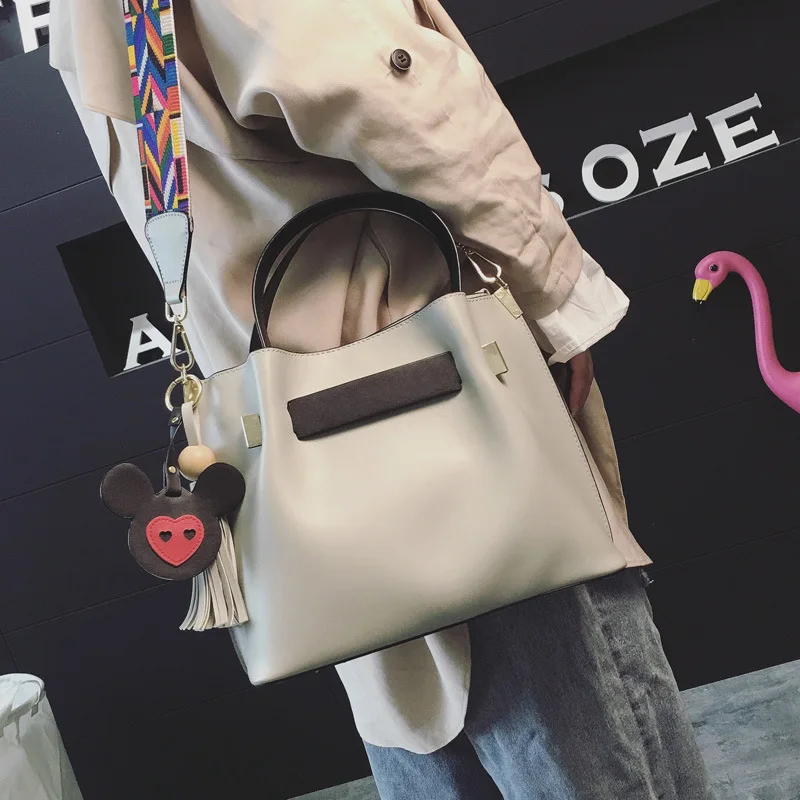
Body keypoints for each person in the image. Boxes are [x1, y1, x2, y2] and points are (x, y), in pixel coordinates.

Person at [50, 1, 716, 797]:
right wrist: (551, 294)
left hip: (304, 461)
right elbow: (385, 86)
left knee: (422, 717)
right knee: (580, 715)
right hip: (447, 396)